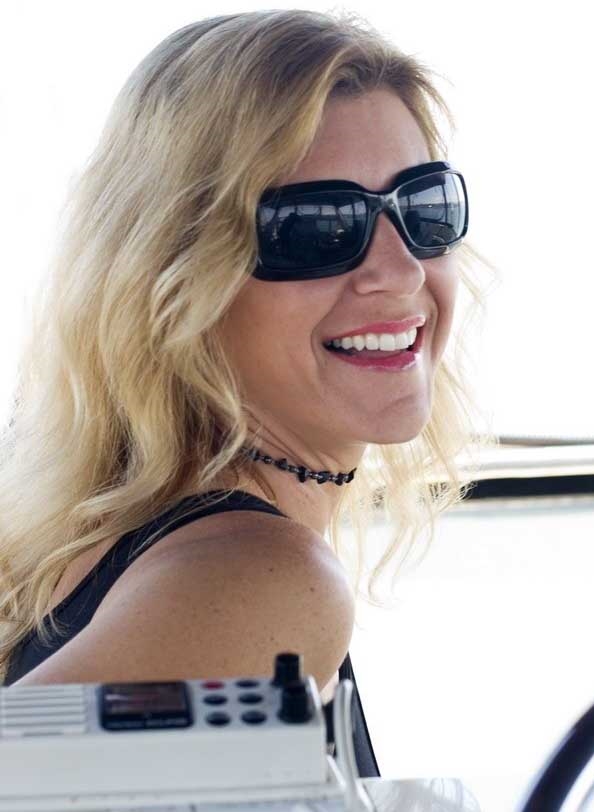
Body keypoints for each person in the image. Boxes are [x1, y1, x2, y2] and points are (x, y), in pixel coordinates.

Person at [0, 10, 496, 777]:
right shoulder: (257, 579)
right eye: (315, 227)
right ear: (176, 274)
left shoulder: (118, 534)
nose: (398, 272)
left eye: (424, 208)